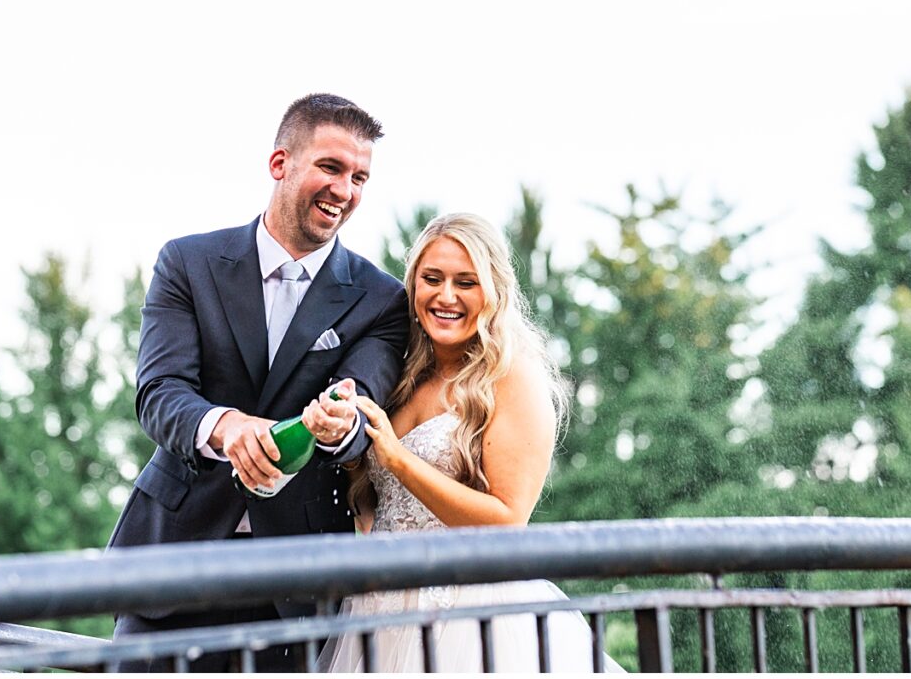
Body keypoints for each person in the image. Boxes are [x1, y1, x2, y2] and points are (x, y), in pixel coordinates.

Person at [109, 93, 410, 673]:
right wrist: (225, 426)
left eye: (360, 177)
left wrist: (340, 423)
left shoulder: (381, 299)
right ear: (280, 163)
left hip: (295, 585)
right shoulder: (186, 263)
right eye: (330, 167)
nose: (344, 191)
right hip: (172, 561)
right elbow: (159, 391)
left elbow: (363, 407)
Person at [321, 215, 622, 673]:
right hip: (377, 609)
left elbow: (507, 520)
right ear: (413, 286)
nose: (446, 296)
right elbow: (373, 504)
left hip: (471, 616)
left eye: (466, 282)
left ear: (493, 291)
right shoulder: (402, 373)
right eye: (432, 279)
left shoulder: (512, 375)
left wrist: (399, 460)